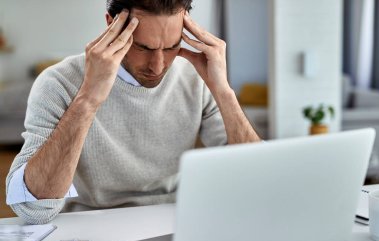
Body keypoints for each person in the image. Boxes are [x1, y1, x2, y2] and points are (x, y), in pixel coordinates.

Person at [6, 0, 261, 225]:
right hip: (90, 226)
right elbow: (33, 210)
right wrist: (88, 99)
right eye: (144, 48)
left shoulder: (195, 78)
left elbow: (257, 181)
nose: (158, 66)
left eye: (172, 46)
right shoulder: (58, 82)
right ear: (111, 24)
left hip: (171, 221)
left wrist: (223, 92)